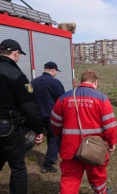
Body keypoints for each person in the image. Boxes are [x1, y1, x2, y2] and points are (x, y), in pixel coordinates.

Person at [50, 69, 117, 194]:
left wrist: (61, 135)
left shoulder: (64, 97)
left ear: (80, 82)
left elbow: (54, 122)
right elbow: (110, 126)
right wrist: (112, 142)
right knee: (97, 176)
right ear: (96, 82)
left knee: (69, 179)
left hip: (69, 148)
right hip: (94, 149)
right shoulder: (101, 98)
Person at [0, 39, 44, 194]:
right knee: (18, 167)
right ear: (16, 53)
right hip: (9, 128)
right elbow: (29, 107)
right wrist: (38, 129)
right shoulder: (16, 75)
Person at [31, 61, 65, 173]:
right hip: (51, 116)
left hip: (36, 115)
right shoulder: (55, 83)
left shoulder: (33, 82)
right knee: (53, 138)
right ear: (53, 70)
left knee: (45, 137)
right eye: (56, 72)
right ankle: (48, 163)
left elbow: (28, 98)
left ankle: (53, 156)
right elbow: (62, 100)